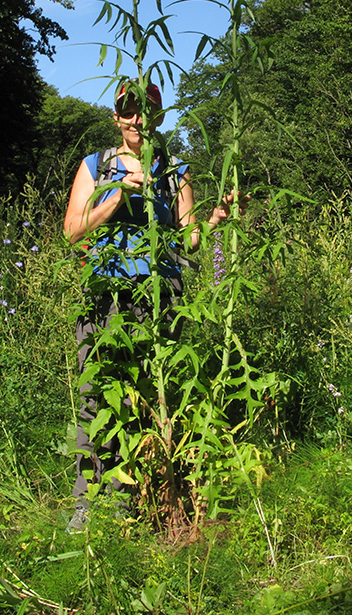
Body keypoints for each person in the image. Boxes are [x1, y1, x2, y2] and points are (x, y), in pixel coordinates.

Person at [63, 78, 234, 530]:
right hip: (105, 296)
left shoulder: (175, 169)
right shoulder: (95, 166)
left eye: (147, 110)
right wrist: (118, 196)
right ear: (116, 116)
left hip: (160, 299)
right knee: (95, 395)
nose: (137, 118)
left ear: (159, 116)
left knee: (151, 398)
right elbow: (72, 232)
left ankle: (138, 501)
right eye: (128, 109)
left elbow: (189, 239)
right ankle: (88, 501)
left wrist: (213, 222)